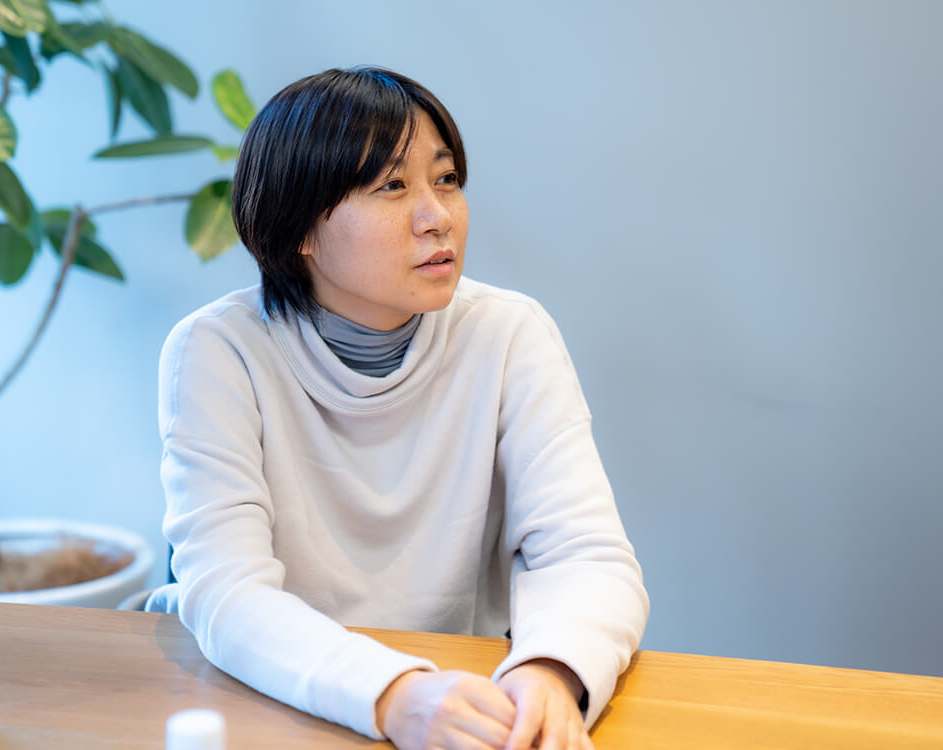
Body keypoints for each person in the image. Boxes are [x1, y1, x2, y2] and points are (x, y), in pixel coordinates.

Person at [145, 67, 649, 750]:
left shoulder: (508, 335)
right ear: (299, 228)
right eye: (392, 186)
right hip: (267, 694)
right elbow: (226, 592)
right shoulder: (218, 351)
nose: (437, 216)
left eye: (446, 179)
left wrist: (551, 674)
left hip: (460, 694)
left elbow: (585, 555)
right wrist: (392, 695)